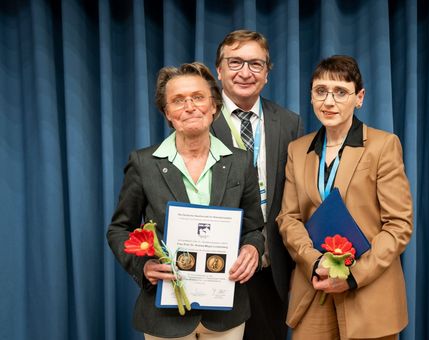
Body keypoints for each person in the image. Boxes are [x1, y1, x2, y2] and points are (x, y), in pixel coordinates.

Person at [107, 62, 265, 340]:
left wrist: (252, 249)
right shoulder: (144, 163)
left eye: (198, 97)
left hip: (226, 313)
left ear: (214, 105)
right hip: (164, 316)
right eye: (178, 101)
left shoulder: (240, 162)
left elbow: (254, 228)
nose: (190, 107)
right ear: (167, 113)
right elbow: (119, 230)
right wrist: (143, 268)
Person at [276, 55, 413, 340]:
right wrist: (316, 263)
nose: (329, 101)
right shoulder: (297, 150)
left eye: (340, 92)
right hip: (314, 288)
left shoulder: (383, 145)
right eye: (320, 91)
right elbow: (288, 218)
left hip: (369, 293)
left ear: (359, 97)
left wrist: (352, 276)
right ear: (312, 97)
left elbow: (398, 226)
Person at [211, 29, 303, 340]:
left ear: (267, 73)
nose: (245, 73)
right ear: (219, 70)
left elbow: (295, 195)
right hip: (218, 263)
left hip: (272, 266)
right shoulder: (200, 119)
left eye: (256, 64)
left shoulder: (290, 122)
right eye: (235, 62)